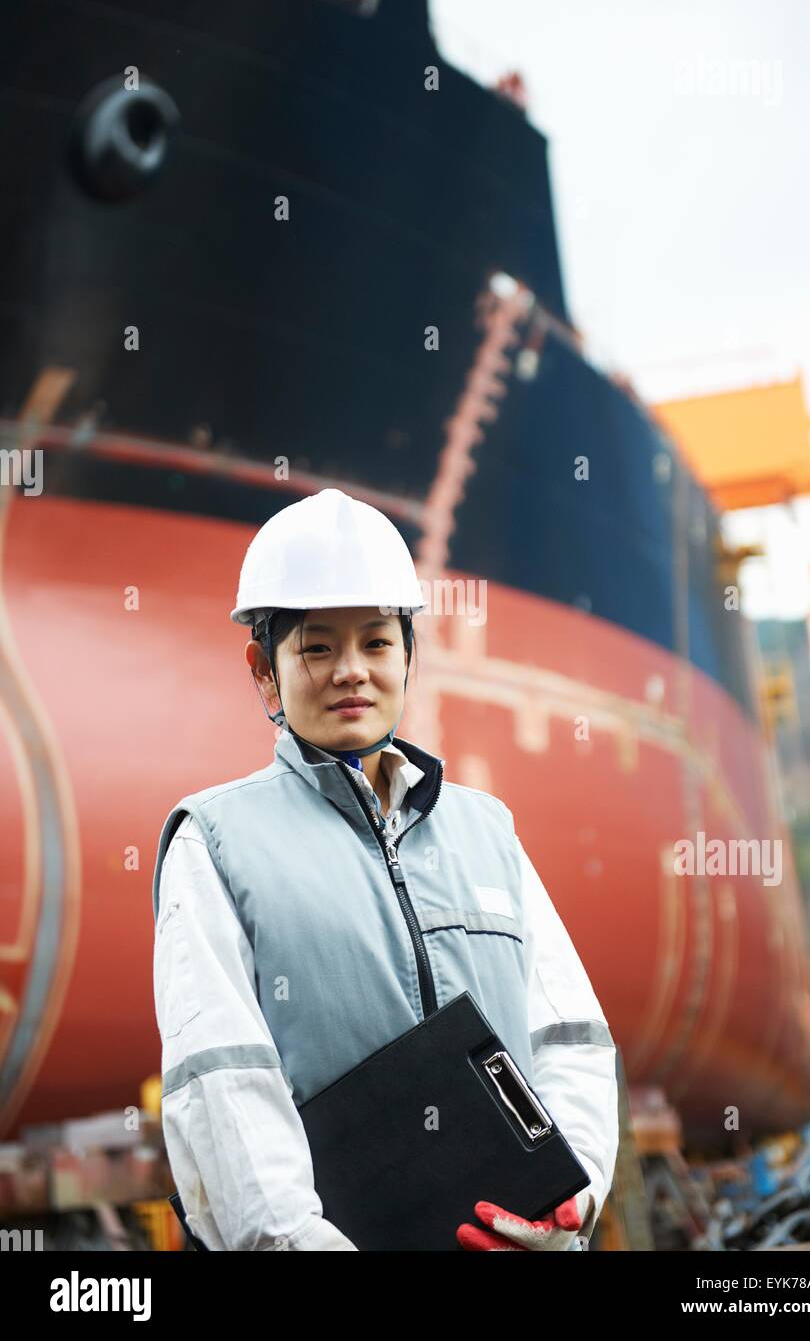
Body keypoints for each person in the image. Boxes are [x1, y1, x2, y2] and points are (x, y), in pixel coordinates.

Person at [152, 487, 618, 1251]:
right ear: (262, 671)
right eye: (316, 647)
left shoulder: (486, 830)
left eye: (375, 642)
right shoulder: (214, 843)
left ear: (409, 655)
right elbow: (221, 1078)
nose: (351, 673)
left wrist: (567, 1208)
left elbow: (569, 1037)